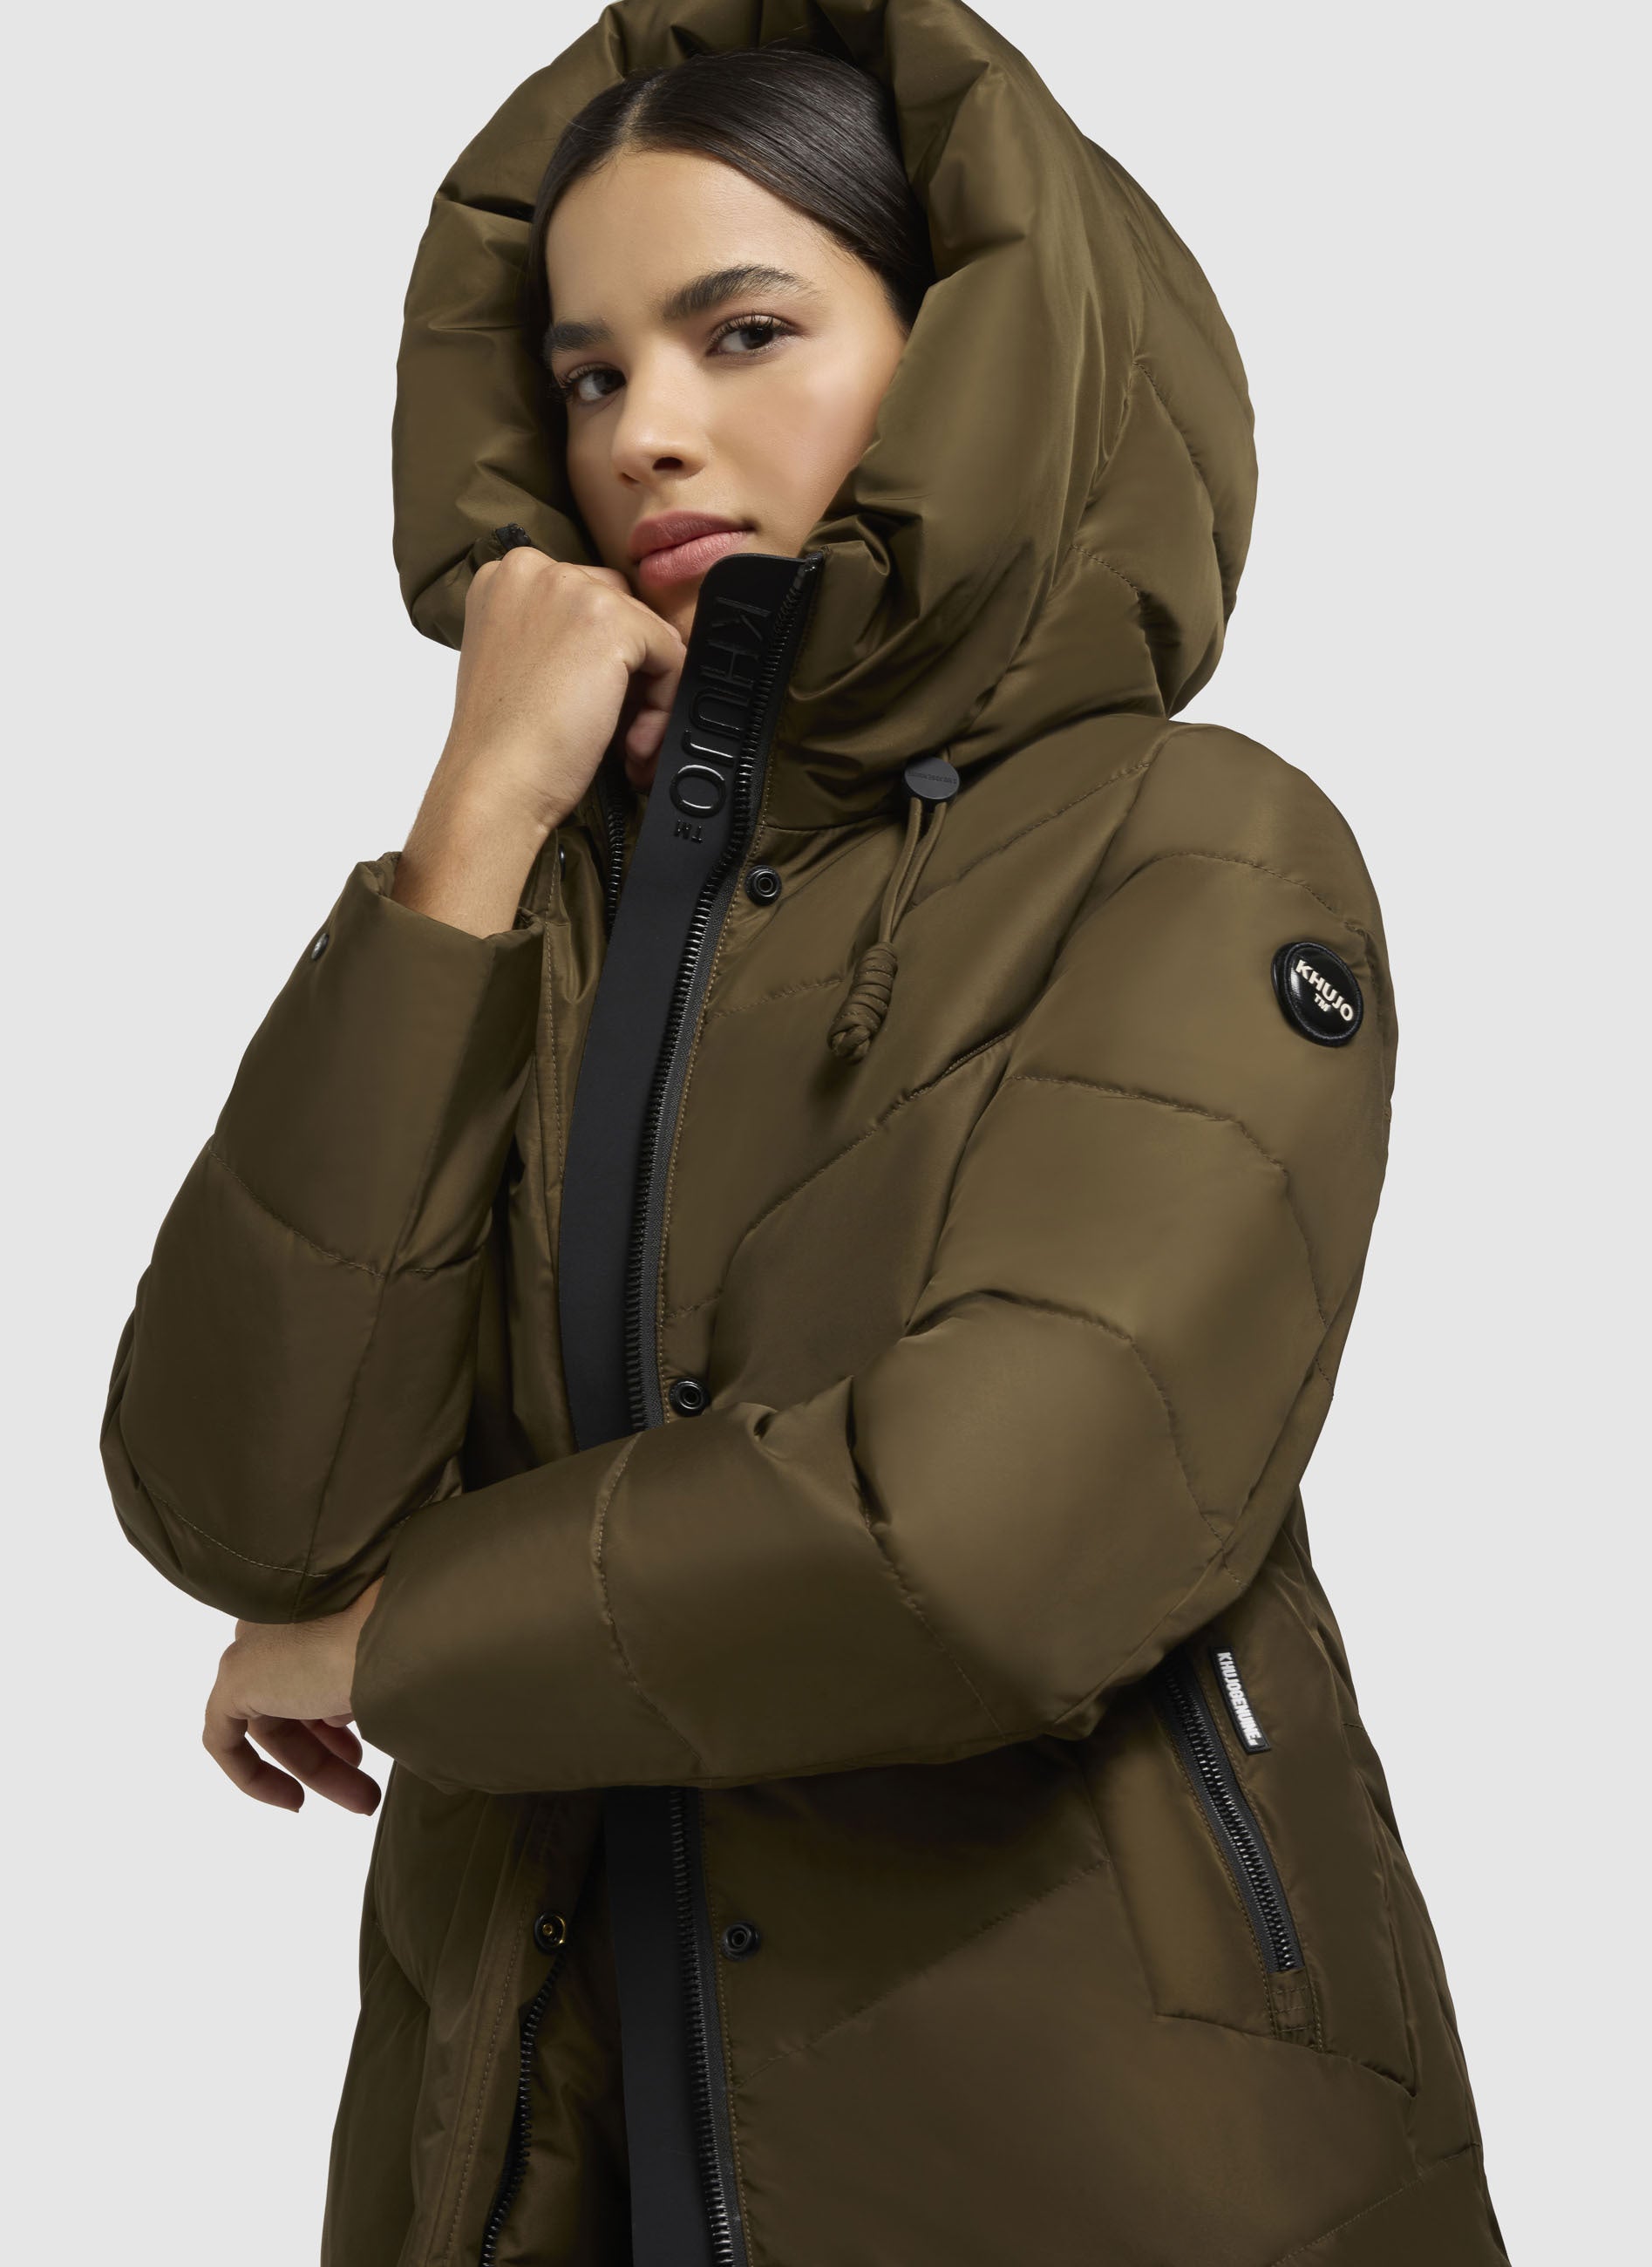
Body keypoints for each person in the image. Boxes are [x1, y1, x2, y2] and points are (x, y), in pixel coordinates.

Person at [99, 3, 1512, 2262]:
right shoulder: (533, 905)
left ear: (975, 360)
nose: (646, 432)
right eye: (584, 375)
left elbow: (999, 1535)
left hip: (1094, 2156)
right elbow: (247, 1509)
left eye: (742, 331)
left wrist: (404, 1650)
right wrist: (470, 834)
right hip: (534, 2148)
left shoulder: (1194, 846)